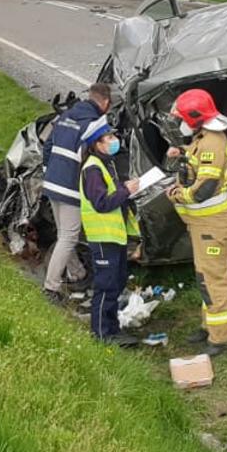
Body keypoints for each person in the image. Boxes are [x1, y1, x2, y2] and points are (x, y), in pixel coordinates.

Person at [166, 89, 227, 357]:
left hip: (212, 225)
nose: (180, 122)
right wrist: (181, 153)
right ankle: (211, 327)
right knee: (204, 276)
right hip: (202, 225)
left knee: (213, 279)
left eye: (182, 117)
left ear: (196, 117)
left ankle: (221, 339)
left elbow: (204, 189)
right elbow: (196, 156)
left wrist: (176, 194)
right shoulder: (202, 137)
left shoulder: (213, 143)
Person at [41, 84, 114, 306]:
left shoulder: (66, 116)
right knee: (69, 236)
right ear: (105, 103)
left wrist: (50, 171)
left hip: (52, 181)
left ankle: (77, 274)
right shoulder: (96, 123)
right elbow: (101, 152)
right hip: (71, 186)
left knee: (64, 233)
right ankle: (50, 287)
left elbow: (48, 146)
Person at [79, 122, 143, 346]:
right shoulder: (93, 168)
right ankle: (101, 335)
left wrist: (124, 187)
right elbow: (102, 202)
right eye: (109, 137)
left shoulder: (105, 164)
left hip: (114, 237)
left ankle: (113, 330)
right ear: (97, 144)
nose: (114, 140)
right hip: (103, 238)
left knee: (116, 283)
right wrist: (127, 190)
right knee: (106, 286)